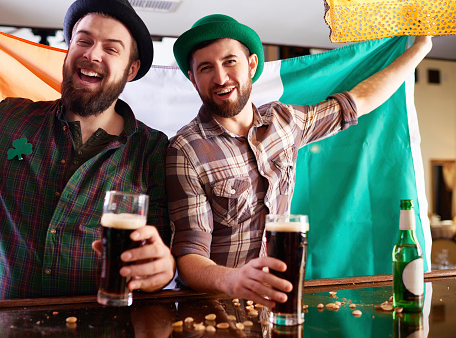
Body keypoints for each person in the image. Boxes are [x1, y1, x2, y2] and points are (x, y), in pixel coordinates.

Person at [166, 14, 432, 307]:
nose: (220, 77)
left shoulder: (284, 122)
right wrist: (232, 280)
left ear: (252, 65)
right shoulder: (185, 149)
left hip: (278, 305)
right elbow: (189, 256)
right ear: (192, 79)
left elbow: (360, 100)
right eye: (206, 68)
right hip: (213, 312)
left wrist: (420, 47)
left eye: (230, 61)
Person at [0, 0, 175, 300]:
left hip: (97, 327)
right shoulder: (6, 119)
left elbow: (159, 253)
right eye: (83, 41)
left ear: (131, 69)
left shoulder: (153, 151)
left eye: (111, 48)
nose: (92, 54)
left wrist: (163, 269)